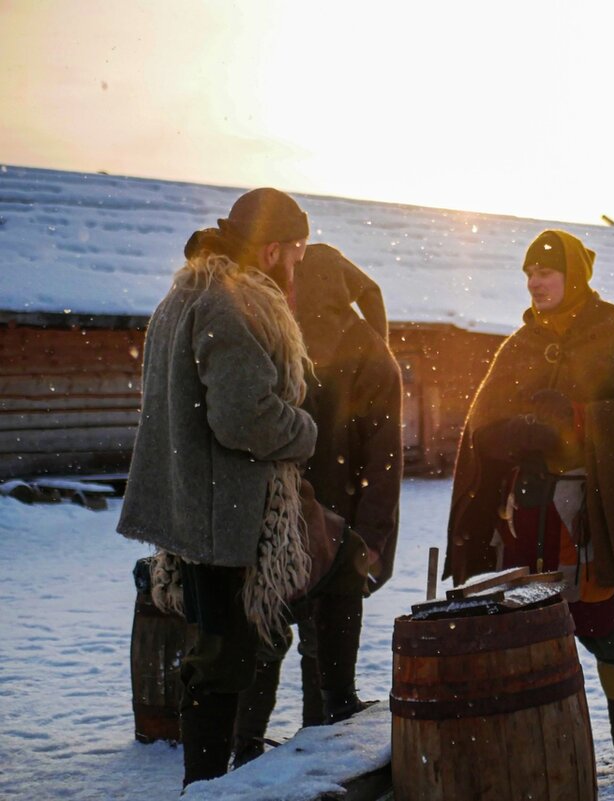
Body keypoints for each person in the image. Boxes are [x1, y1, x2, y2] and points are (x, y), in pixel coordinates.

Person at [117, 189, 367, 787]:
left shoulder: (186, 293)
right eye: (297, 251)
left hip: (202, 501)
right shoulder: (232, 303)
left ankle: (228, 769)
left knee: (227, 644)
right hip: (225, 508)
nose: (300, 264)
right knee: (225, 651)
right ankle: (211, 784)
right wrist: (305, 428)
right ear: (274, 248)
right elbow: (243, 416)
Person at [445, 229, 614, 778]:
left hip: (587, 516)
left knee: (606, 625)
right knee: (520, 631)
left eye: (546, 273)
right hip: (523, 515)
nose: (534, 282)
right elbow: (481, 426)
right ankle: (530, 750)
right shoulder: (520, 344)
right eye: (529, 273)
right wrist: (509, 433)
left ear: (573, 276)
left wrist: (578, 418)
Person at [232, 243, 403, 766]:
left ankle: (277, 756)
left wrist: (370, 541)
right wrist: (368, 540)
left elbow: (381, 459)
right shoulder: (288, 337)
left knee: (284, 646)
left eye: (294, 281)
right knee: (293, 650)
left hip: (308, 525)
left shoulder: (358, 351)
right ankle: (270, 755)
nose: (284, 287)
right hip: (312, 525)